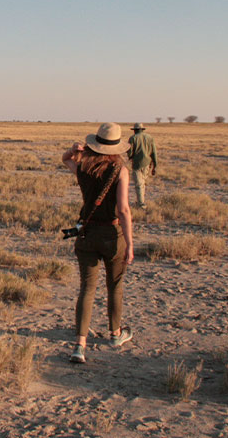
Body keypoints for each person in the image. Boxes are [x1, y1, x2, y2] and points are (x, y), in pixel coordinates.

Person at [61, 122, 135, 364]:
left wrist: (74, 150)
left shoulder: (83, 167)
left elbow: (65, 159)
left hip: (87, 234)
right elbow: (123, 210)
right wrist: (131, 243)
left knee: (87, 289)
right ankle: (115, 334)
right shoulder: (120, 170)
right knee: (115, 286)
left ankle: (79, 346)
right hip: (113, 235)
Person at [127, 123, 157, 209]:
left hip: (137, 164)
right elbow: (154, 152)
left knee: (139, 184)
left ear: (135, 130)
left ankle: (141, 203)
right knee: (142, 183)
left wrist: (130, 157)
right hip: (147, 163)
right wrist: (155, 165)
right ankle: (141, 201)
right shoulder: (150, 137)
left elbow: (129, 152)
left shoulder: (133, 138)